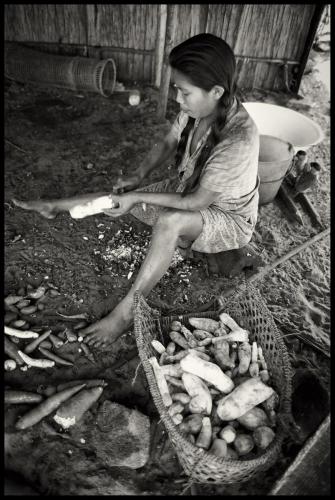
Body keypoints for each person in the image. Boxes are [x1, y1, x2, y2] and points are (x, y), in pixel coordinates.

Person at [12, 33, 260, 348]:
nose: (178, 100)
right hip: (188, 187)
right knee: (122, 198)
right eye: (176, 90)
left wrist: (138, 196)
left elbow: (196, 201)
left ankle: (125, 314)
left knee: (169, 221)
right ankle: (55, 206)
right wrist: (137, 175)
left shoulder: (238, 139)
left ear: (216, 91)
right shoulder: (199, 108)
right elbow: (169, 142)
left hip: (226, 216)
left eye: (184, 92)